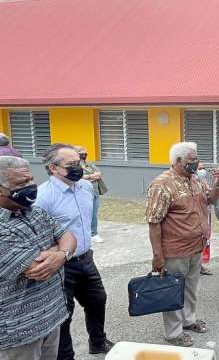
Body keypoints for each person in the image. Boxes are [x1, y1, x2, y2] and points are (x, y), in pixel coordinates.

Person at [35, 143, 114, 359]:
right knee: (63, 315)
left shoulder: (85, 188)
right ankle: (65, 356)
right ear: (53, 168)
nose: (78, 167)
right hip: (61, 266)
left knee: (98, 300)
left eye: (78, 162)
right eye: (71, 164)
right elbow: (38, 236)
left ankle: (98, 342)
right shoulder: (43, 197)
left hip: (86, 258)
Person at [145, 142, 219, 347]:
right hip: (174, 250)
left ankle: (188, 320)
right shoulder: (162, 184)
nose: (196, 162)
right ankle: (173, 332)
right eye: (191, 159)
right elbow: (154, 222)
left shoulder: (196, 179)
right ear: (178, 161)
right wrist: (157, 255)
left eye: (196, 158)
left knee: (191, 287)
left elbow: (211, 200)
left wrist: (217, 183)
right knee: (173, 290)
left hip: (197, 246)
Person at [0, 156, 76, 360]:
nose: (31, 186)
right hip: (19, 332)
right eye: (21, 183)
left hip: (50, 317)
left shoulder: (35, 212)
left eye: (31, 179)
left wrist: (61, 253)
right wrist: (59, 249)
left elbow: (68, 236)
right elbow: (38, 269)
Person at [75, 146, 107, 244]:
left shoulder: (89, 164)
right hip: (82, 193)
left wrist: (87, 177)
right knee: (82, 214)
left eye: (85, 153)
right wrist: (91, 176)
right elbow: (78, 177)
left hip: (95, 192)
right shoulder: (74, 166)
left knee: (93, 213)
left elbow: (99, 174)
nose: (84, 155)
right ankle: (82, 234)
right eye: (81, 153)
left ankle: (94, 233)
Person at [196, 161, 212, 276]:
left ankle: (200, 265)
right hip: (197, 216)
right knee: (197, 241)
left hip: (206, 214)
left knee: (205, 240)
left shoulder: (205, 182)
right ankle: (196, 266)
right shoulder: (191, 183)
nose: (202, 170)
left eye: (203, 168)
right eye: (199, 168)